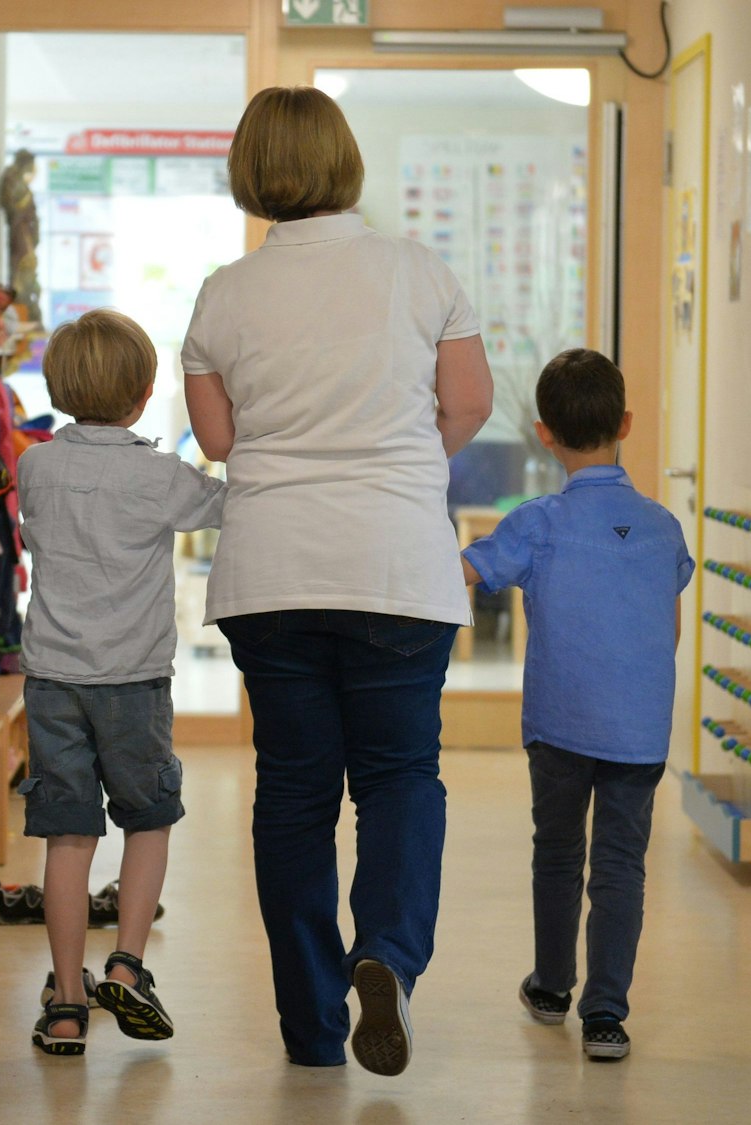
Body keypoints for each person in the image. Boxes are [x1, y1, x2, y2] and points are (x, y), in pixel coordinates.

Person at [182, 85, 494, 1076]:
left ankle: (313, 1026)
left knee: (293, 793)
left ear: (250, 170)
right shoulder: (418, 273)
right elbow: (467, 405)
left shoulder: (223, 293)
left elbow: (221, 440)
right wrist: (396, 463)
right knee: (399, 778)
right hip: (394, 565)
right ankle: (387, 959)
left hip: (270, 573)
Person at [460, 348, 693, 1063]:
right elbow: (670, 624)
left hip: (560, 725)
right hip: (639, 726)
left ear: (543, 433)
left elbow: (464, 574)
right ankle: (606, 1015)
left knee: (558, 850)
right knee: (622, 861)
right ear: (624, 422)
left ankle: (553, 985)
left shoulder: (538, 522)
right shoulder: (661, 527)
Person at [15, 307, 226, 1057]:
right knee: (147, 817)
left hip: (52, 681)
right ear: (144, 393)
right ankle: (128, 966)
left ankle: (66, 1003)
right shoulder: (159, 474)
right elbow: (227, 506)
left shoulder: (34, 466)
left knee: (67, 837)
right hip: (134, 682)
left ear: (59, 385)